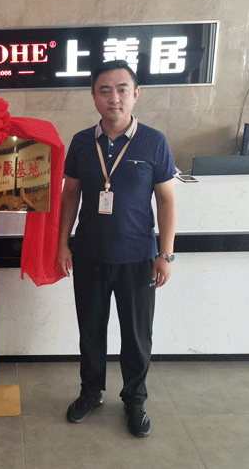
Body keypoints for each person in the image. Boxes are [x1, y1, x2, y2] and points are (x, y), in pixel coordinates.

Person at [58, 59, 177, 437]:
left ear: (136, 94)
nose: (114, 98)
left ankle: (134, 400)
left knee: (136, 336)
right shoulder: (81, 142)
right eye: (105, 90)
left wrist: (165, 254)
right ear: (94, 97)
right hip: (88, 254)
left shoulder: (154, 141)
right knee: (90, 331)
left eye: (122, 89)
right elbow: (70, 196)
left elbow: (167, 200)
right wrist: (62, 245)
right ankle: (90, 393)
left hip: (138, 257)